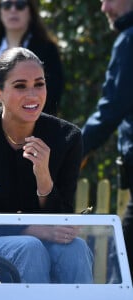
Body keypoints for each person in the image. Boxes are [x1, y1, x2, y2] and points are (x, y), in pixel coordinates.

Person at [0, 47, 93, 283]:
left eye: (39, 84)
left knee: (75, 249)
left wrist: (44, 177)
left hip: (38, 241)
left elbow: (62, 217)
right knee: (30, 247)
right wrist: (35, 230)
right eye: (20, 86)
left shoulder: (67, 137)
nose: (33, 95)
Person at [81, 0, 133, 280]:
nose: (104, 8)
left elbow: (111, 107)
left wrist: (75, 148)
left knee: (124, 270)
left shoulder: (129, 40)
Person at [0, 0, 64, 117]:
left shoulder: (47, 49)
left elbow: (53, 93)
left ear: (30, 11)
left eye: (20, 5)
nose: (13, 10)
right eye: (6, 5)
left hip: (32, 126)